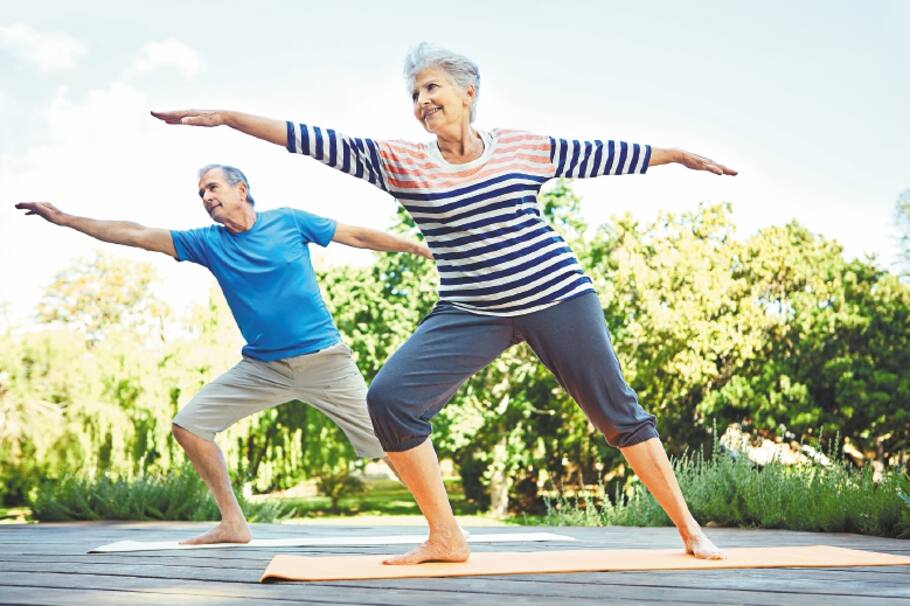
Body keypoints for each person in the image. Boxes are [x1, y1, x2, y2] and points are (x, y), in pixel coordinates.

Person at [151, 42, 737, 563]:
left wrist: (677, 154)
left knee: (616, 413)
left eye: (432, 87)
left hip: (556, 295)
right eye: (414, 93)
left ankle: (689, 529)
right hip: (470, 310)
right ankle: (446, 537)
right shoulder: (404, 163)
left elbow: (608, 153)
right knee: (390, 401)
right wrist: (228, 118)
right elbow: (311, 140)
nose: (422, 101)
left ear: (467, 92)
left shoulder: (523, 148)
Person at [16, 163, 431, 545]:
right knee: (190, 426)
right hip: (263, 368)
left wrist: (416, 248)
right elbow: (137, 234)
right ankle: (233, 522)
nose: (206, 197)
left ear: (241, 189)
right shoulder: (207, 242)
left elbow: (356, 235)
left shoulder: (287, 221)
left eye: (212, 187)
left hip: (325, 363)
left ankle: (443, 527)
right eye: (201, 193)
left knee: (390, 442)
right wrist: (67, 219)